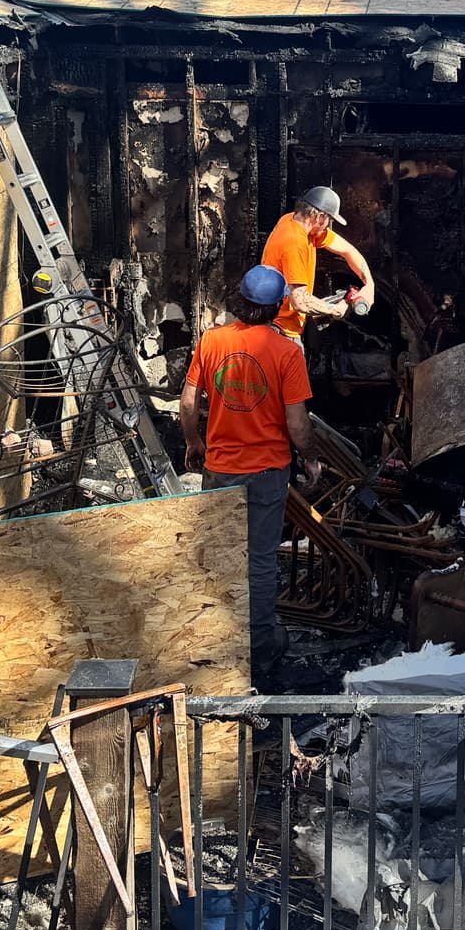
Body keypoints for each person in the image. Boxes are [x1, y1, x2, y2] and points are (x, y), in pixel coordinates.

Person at [179, 264, 318, 685]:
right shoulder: (288, 354)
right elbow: (297, 426)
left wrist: (194, 444)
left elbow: (188, 404)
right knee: (258, 563)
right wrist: (310, 458)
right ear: (278, 308)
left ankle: (212, 647)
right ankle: (258, 652)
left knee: (217, 560)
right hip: (267, 473)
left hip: (219, 470)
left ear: (240, 301)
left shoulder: (211, 341)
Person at [260, 184, 377, 344]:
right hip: (282, 330)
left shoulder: (293, 221)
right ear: (319, 217)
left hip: (287, 324)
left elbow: (348, 251)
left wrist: (369, 285)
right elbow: (300, 302)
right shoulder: (294, 243)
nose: (328, 225)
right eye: (329, 220)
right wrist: (336, 309)